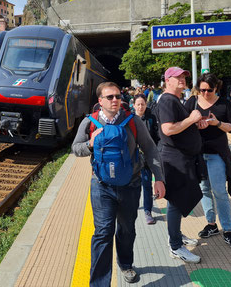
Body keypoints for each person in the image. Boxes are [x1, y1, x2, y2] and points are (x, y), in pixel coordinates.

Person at [71, 81, 166, 285]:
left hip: (130, 185)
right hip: (101, 186)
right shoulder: (89, 122)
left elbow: (150, 149)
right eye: (110, 97)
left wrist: (159, 178)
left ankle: (125, 264)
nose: (115, 100)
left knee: (126, 229)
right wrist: (90, 143)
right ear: (100, 101)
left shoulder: (132, 121)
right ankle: (99, 283)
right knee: (103, 233)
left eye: (118, 96)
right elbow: (75, 149)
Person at [184, 73, 231, 249]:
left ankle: (228, 229)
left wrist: (216, 123)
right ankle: (211, 224)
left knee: (219, 192)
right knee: (204, 190)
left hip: (217, 153)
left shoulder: (224, 103)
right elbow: (183, 124)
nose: (205, 93)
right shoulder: (192, 102)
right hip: (198, 154)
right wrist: (193, 124)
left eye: (209, 90)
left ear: (216, 88)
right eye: (202, 90)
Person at [156, 67, 203, 264]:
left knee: (177, 201)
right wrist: (191, 119)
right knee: (176, 202)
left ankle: (175, 235)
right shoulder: (167, 100)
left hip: (180, 159)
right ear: (168, 80)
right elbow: (168, 129)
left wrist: (194, 124)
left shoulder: (175, 100)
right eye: (178, 77)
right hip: (175, 160)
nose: (183, 79)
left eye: (184, 76)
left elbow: (178, 126)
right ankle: (175, 246)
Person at [132, 94, 160, 225]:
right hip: (133, 158)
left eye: (143, 104)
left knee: (147, 184)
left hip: (147, 156)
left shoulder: (151, 118)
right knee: (133, 184)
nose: (140, 107)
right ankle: (132, 206)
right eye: (138, 104)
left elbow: (156, 136)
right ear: (134, 106)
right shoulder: (129, 120)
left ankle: (147, 211)